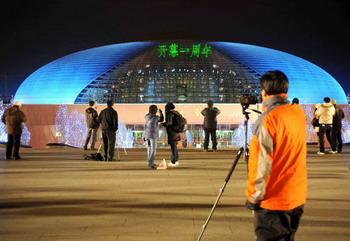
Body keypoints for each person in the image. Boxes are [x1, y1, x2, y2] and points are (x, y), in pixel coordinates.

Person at [246, 70, 307, 241]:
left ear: (264, 92)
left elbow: (261, 164)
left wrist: (253, 197)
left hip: (273, 201)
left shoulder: (268, 120)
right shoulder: (297, 113)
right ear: (285, 91)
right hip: (296, 195)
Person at [144, 105, 164, 169]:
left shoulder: (146, 116)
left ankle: (150, 162)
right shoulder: (155, 117)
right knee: (153, 150)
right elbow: (162, 119)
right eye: (156, 109)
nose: (156, 110)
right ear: (154, 110)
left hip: (147, 135)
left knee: (149, 149)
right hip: (153, 135)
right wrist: (161, 113)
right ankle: (151, 163)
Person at [163, 102, 181, 166]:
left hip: (172, 132)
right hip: (176, 132)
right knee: (175, 147)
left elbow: (169, 123)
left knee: (173, 147)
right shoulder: (176, 113)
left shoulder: (169, 114)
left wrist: (163, 124)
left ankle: (173, 162)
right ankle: (176, 160)